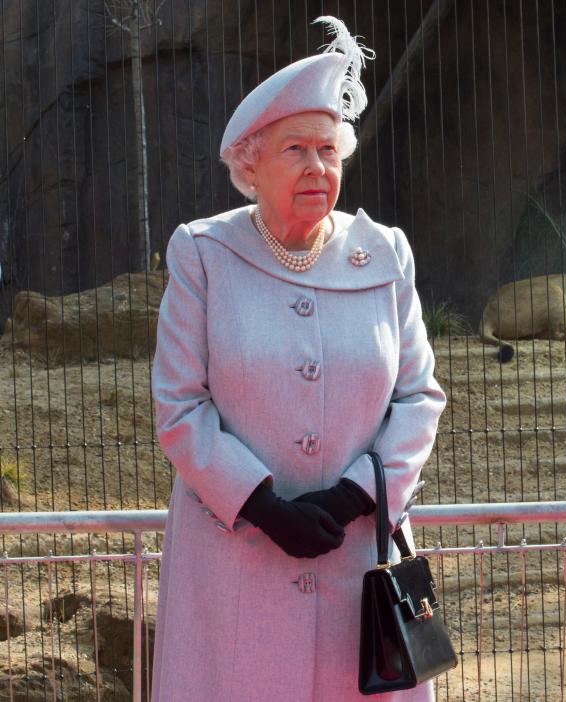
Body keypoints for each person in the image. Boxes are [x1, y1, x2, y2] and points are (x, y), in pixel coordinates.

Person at [150, 16, 445, 701]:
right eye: (296, 151)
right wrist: (262, 504)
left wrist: (355, 498)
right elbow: (179, 405)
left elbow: (419, 397)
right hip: (236, 570)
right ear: (250, 163)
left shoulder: (385, 255)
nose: (318, 167)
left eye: (328, 150)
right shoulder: (203, 255)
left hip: (358, 573)